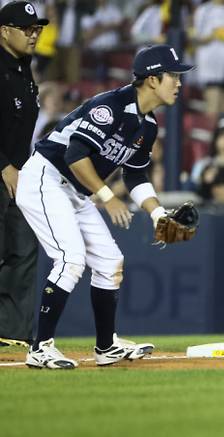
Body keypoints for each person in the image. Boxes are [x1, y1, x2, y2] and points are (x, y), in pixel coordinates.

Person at [15, 44, 194, 369]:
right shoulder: (110, 106)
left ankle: (106, 346)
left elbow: (135, 174)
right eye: (173, 75)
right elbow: (74, 156)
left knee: (111, 261)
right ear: (152, 79)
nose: (179, 83)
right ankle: (40, 348)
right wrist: (108, 197)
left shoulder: (148, 125)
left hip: (76, 191)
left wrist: (156, 213)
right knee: (71, 259)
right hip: (45, 178)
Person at [0, 1, 49, 348]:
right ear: (4, 32)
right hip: (4, 169)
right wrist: (4, 165)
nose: (33, 35)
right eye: (26, 29)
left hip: (19, 173)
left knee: (23, 249)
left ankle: (12, 332)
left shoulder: (23, 67)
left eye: (37, 29)